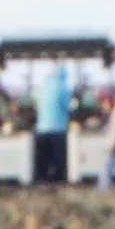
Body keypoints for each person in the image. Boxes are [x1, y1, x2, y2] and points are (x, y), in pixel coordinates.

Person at [35, 55, 71, 186]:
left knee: (44, 156)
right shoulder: (63, 86)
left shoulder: (44, 84)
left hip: (42, 128)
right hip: (58, 128)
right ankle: (58, 178)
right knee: (58, 157)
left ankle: (42, 178)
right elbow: (66, 107)